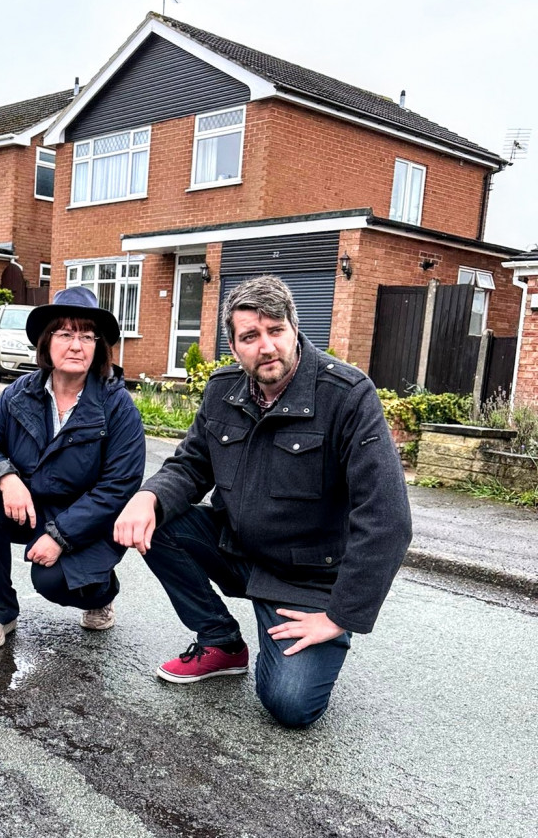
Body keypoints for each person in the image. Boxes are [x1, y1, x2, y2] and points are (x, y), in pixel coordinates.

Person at [113, 275, 411, 727]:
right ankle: (221, 641)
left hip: (305, 578)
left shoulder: (347, 396)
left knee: (290, 706)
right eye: (251, 336)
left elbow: (386, 518)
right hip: (237, 550)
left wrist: (339, 615)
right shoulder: (222, 390)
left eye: (275, 331)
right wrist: (147, 497)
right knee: (162, 521)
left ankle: (320, 638)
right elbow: (192, 465)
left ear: (294, 328)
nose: (266, 346)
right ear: (235, 345)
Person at [0, 287, 145, 648]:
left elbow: (118, 487)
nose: (77, 345)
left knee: (51, 581)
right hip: (32, 506)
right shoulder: (20, 392)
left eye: (87, 336)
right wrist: (6, 478)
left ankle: (102, 592)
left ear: (98, 347)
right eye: (65, 334)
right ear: (47, 343)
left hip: (87, 521)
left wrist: (61, 537)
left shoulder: (117, 405)